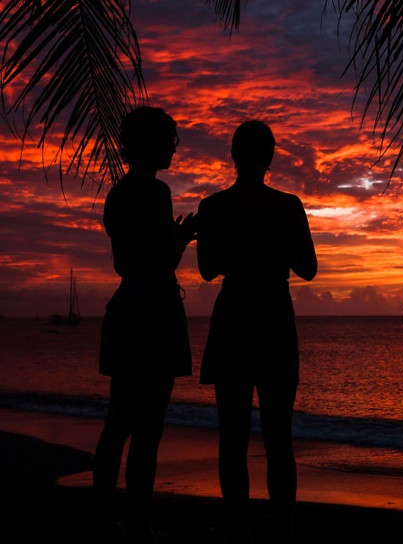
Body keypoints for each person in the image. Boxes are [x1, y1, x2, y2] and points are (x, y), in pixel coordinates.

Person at [197, 120, 317, 544]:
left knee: (233, 434)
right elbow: (309, 268)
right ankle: (280, 530)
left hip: (234, 317)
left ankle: (238, 530)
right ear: (270, 157)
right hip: (272, 317)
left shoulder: (213, 207)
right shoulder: (287, 206)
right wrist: (273, 242)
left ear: (233, 154)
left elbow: (207, 269)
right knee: (277, 435)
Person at [93, 107, 196, 543]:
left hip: (127, 307)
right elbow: (162, 258)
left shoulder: (117, 195)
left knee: (119, 420)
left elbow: (129, 257)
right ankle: (137, 521)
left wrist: (169, 238)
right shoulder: (155, 192)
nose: (174, 146)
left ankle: (103, 516)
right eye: (170, 139)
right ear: (152, 144)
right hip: (153, 310)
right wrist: (185, 236)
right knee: (148, 425)